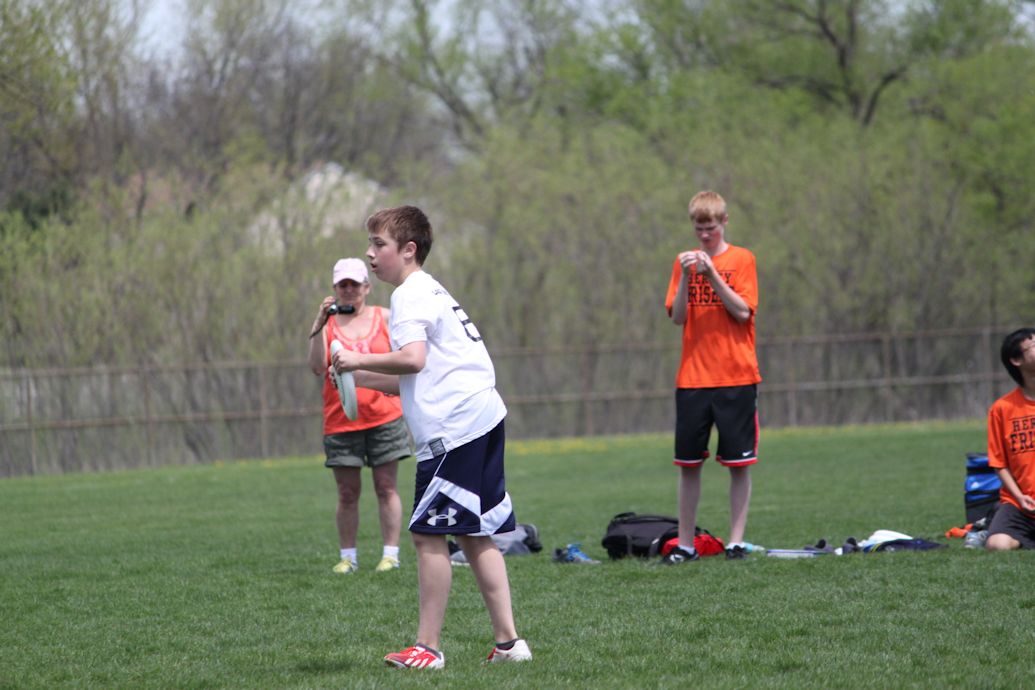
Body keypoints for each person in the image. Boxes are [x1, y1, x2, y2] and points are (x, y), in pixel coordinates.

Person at [331, 205, 531, 669]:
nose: (370, 253)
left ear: (408, 249)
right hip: (482, 417)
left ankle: (428, 648)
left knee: (427, 536)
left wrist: (358, 360)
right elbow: (418, 374)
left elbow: (413, 359)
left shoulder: (410, 294)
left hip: (454, 429)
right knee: (475, 535)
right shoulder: (429, 289)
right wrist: (358, 379)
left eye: (379, 244)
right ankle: (509, 645)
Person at [662, 190, 761, 564]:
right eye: (699, 228)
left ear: (724, 222)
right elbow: (677, 317)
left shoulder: (743, 259)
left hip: (736, 376)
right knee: (688, 466)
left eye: (711, 228)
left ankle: (735, 542)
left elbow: (742, 311)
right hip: (693, 380)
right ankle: (686, 545)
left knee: (738, 465)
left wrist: (712, 274)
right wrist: (688, 277)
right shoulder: (683, 263)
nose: (705, 235)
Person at [307, 257, 412, 574]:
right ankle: (348, 557)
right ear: (335, 288)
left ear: (367, 287)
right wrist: (318, 324)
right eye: (343, 285)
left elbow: (405, 357)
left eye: (355, 284)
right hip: (341, 420)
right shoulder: (328, 325)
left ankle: (390, 554)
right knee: (347, 492)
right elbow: (317, 367)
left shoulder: (386, 317)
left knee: (386, 487)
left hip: (384, 416)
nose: (349, 290)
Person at [985, 327, 1035, 551]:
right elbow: (999, 463)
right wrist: (1020, 497)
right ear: (1016, 360)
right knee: (997, 545)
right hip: (1019, 503)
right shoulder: (1002, 409)